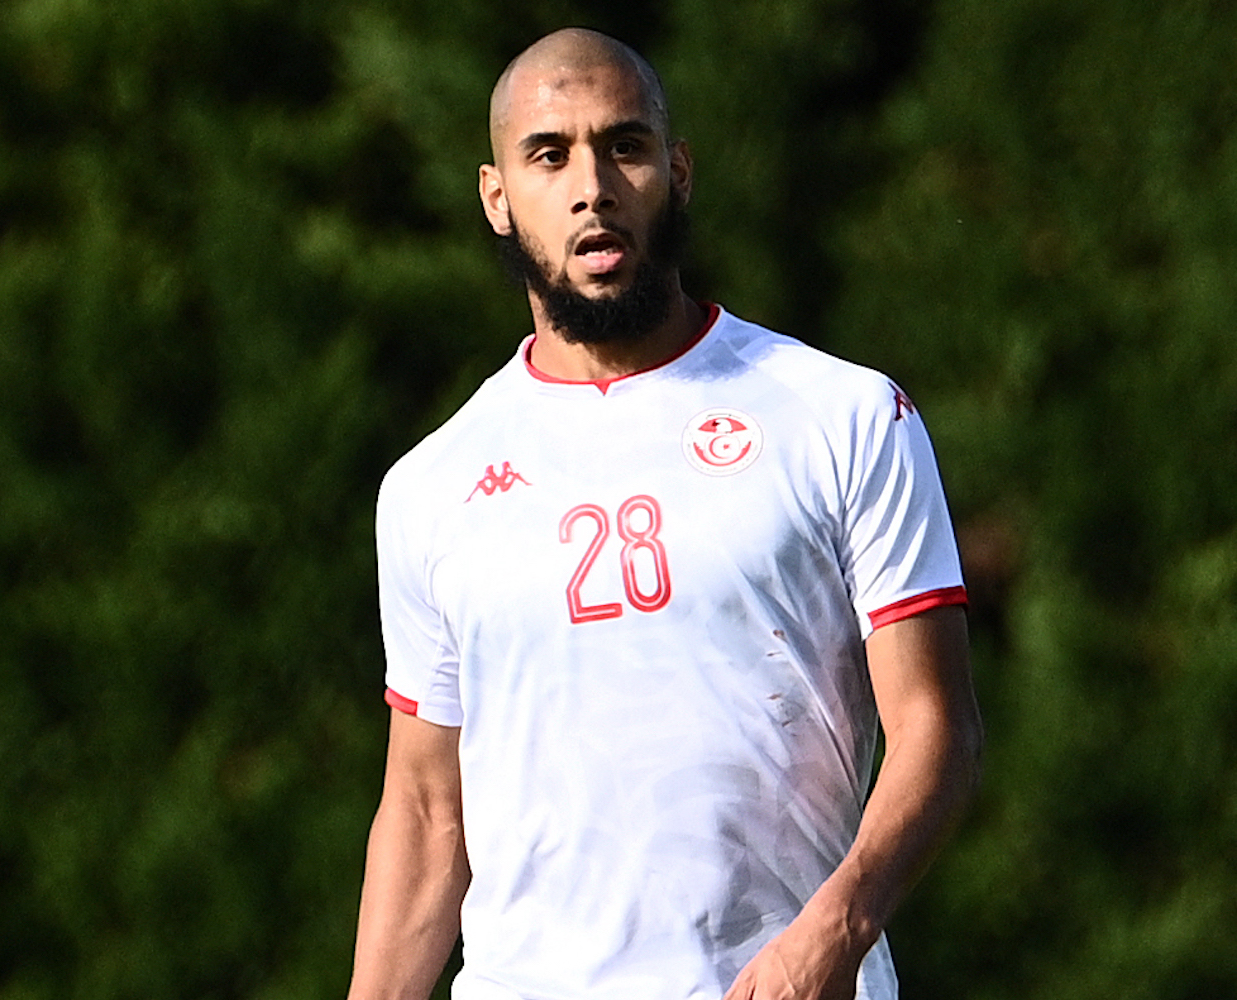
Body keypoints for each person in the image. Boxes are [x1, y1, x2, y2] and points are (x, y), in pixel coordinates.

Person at [346, 27, 983, 1000]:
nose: (591, 185)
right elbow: (429, 810)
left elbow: (936, 725)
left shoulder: (843, 415)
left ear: (677, 172)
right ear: (496, 197)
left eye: (625, 146)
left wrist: (838, 930)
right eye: (549, 154)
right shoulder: (431, 485)